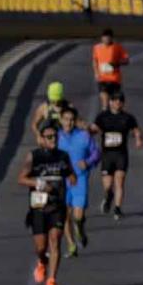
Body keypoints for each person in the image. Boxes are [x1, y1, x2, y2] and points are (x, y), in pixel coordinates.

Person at [18, 121, 76, 285]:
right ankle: (42, 261)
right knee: (41, 247)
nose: (53, 140)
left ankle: (51, 281)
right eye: (49, 137)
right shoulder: (33, 157)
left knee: (55, 241)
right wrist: (40, 183)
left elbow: (69, 172)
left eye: (55, 136)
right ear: (41, 139)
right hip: (38, 207)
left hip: (57, 207)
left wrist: (72, 178)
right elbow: (21, 179)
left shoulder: (63, 156)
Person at [90, 91, 143, 220]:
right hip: (107, 155)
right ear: (110, 102)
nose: (117, 103)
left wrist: (138, 139)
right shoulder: (102, 116)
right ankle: (109, 196)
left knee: (119, 181)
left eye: (120, 101)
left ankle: (118, 209)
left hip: (121, 154)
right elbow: (94, 128)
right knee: (108, 185)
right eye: (115, 100)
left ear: (123, 103)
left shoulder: (128, 118)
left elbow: (136, 129)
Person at [57, 106, 98, 258]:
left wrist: (87, 162)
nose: (69, 122)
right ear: (61, 120)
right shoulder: (56, 138)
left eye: (72, 120)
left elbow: (95, 153)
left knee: (78, 215)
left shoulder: (84, 136)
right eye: (66, 119)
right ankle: (71, 245)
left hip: (80, 179)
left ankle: (80, 229)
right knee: (65, 215)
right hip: (62, 181)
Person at [92, 28, 130, 109]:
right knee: (105, 102)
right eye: (104, 38)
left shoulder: (117, 47)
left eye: (108, 38)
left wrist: (117, 63)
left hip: (114, 79)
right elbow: (95, 61)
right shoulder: (96, 48)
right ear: (101, 38)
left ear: (111, 38)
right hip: (102, 79)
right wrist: (96, 73)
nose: (106, 40)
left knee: (115, 103)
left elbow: (126, 60)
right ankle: (105, 117)